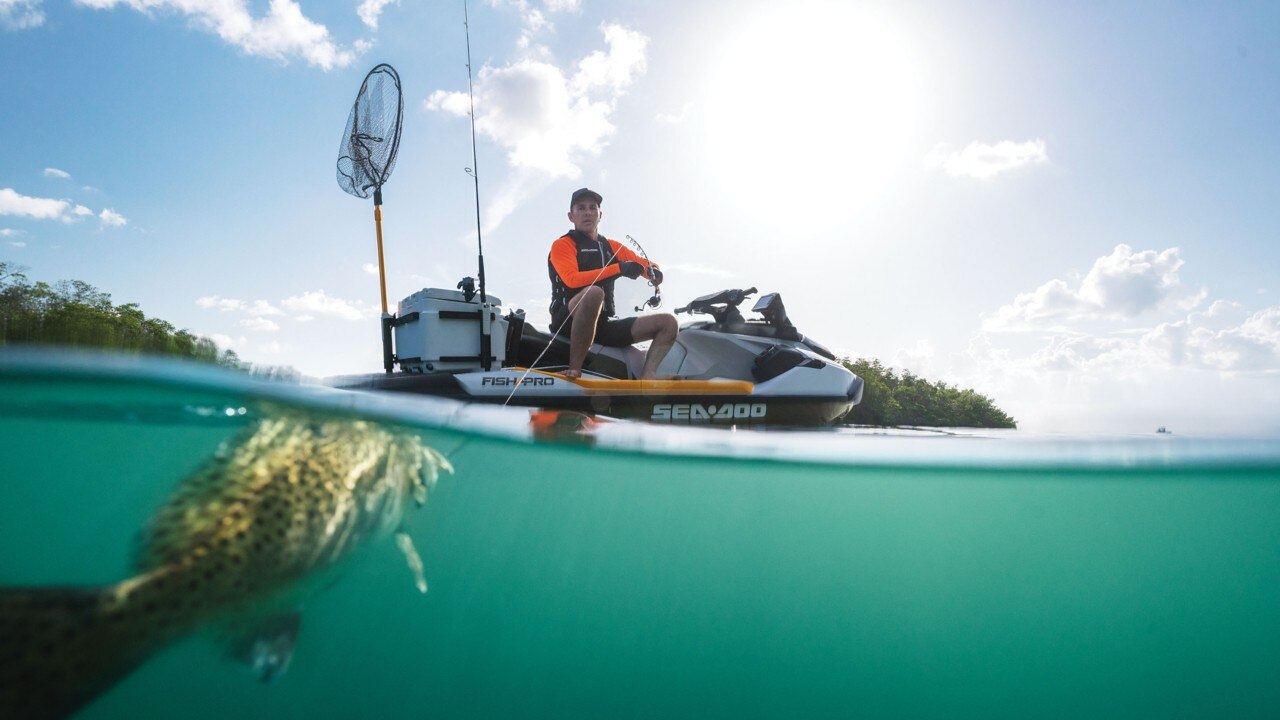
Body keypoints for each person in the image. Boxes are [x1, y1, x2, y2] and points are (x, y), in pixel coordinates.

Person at [548, 187, 679, 379]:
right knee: (594, 293)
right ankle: (575, 369)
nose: (587, 212)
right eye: (581, 208)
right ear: (571, 216)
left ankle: (648, 376)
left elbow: (643, 265)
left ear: (600, 215)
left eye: (593, 208)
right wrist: (619, 269)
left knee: (669, 322)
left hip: (602, 324)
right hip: (567, 320)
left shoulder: (611, 246)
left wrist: (654, 272)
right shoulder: (563, 244)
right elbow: (572, 280)